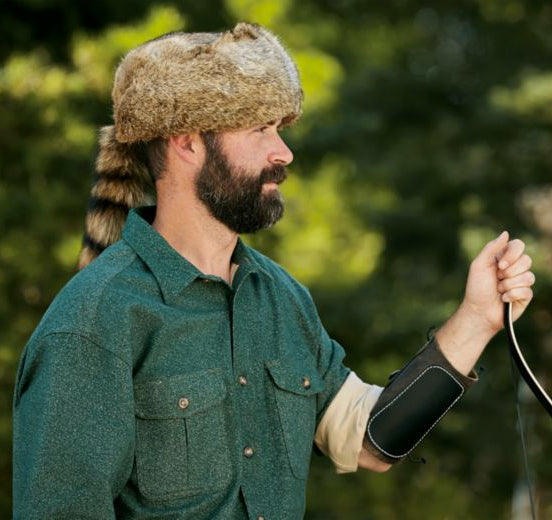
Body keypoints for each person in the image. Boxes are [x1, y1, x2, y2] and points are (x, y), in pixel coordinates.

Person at [12, 22, 535, 519]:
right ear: (188, 141)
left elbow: (371, 441)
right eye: (260, 128)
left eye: (280, 128)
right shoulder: (93, 322)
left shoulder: (281, 299)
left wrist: (478, 319)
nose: (283, 151)